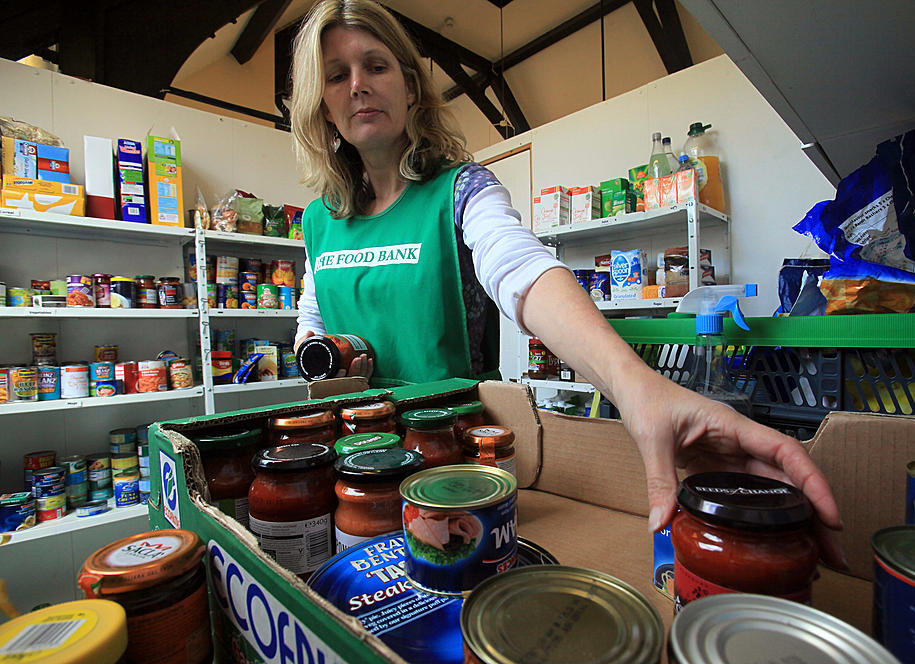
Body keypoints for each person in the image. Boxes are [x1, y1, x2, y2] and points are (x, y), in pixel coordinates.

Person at [289, 0, 845, 567]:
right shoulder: (318, 222)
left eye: (375, 66)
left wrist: (636, 388)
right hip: (355, 471)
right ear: (323, 107)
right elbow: (311, 325)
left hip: (450, 474)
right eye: (337, 75)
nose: (358, 85)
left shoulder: (461, 192)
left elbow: (520, 269)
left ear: (410, 87)